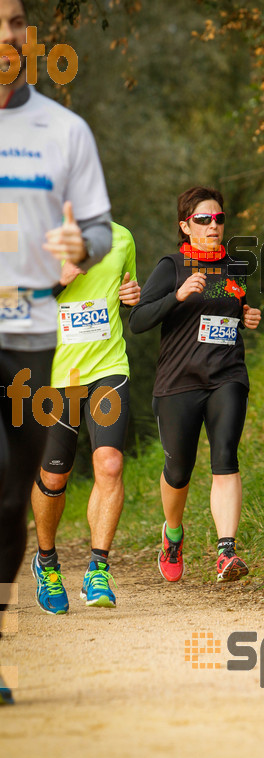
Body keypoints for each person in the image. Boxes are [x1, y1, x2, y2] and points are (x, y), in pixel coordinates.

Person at [0, 0, 112, 703]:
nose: (4, 34)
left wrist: (82, 245)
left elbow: (98, 228)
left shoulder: (63, 130)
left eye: (13, 20)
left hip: (35, 337)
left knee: (13, 497)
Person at [129, 186, 261, 583]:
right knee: (179, 471)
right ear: (185, 226)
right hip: (179, 382)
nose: (213, 225)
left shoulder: (234, 265)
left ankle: (226, 552)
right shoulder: (172, 265)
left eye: (218, 218)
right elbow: (137, 320)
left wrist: (247, 315)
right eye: (203, 219)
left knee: (225, 458)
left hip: (227, 376)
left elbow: (230, 309)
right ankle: (173, 534)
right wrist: (177, 296)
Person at [30, 222, 140, 614]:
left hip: (108, 367)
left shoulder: (122, 238)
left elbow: (127, 295)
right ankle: (46, 563)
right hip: (56, 375)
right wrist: (56, 281)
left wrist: (132, 297)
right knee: (54, 476)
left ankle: (98, 568)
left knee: (109, 463)